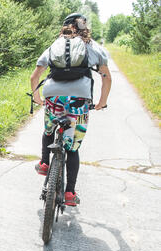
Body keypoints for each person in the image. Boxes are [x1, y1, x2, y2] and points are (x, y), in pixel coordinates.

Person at [30, 13, 112, 206]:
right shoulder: (92, 47)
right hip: (79, 100)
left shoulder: (55, 46)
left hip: (53, 96)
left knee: (49, 129)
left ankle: (44, 162)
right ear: (84, 28)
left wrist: (38, 98)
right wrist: (101, 102)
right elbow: (106, 77)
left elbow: (35, 76)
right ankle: (69, 194)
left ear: (65, 27)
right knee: (72, 148)